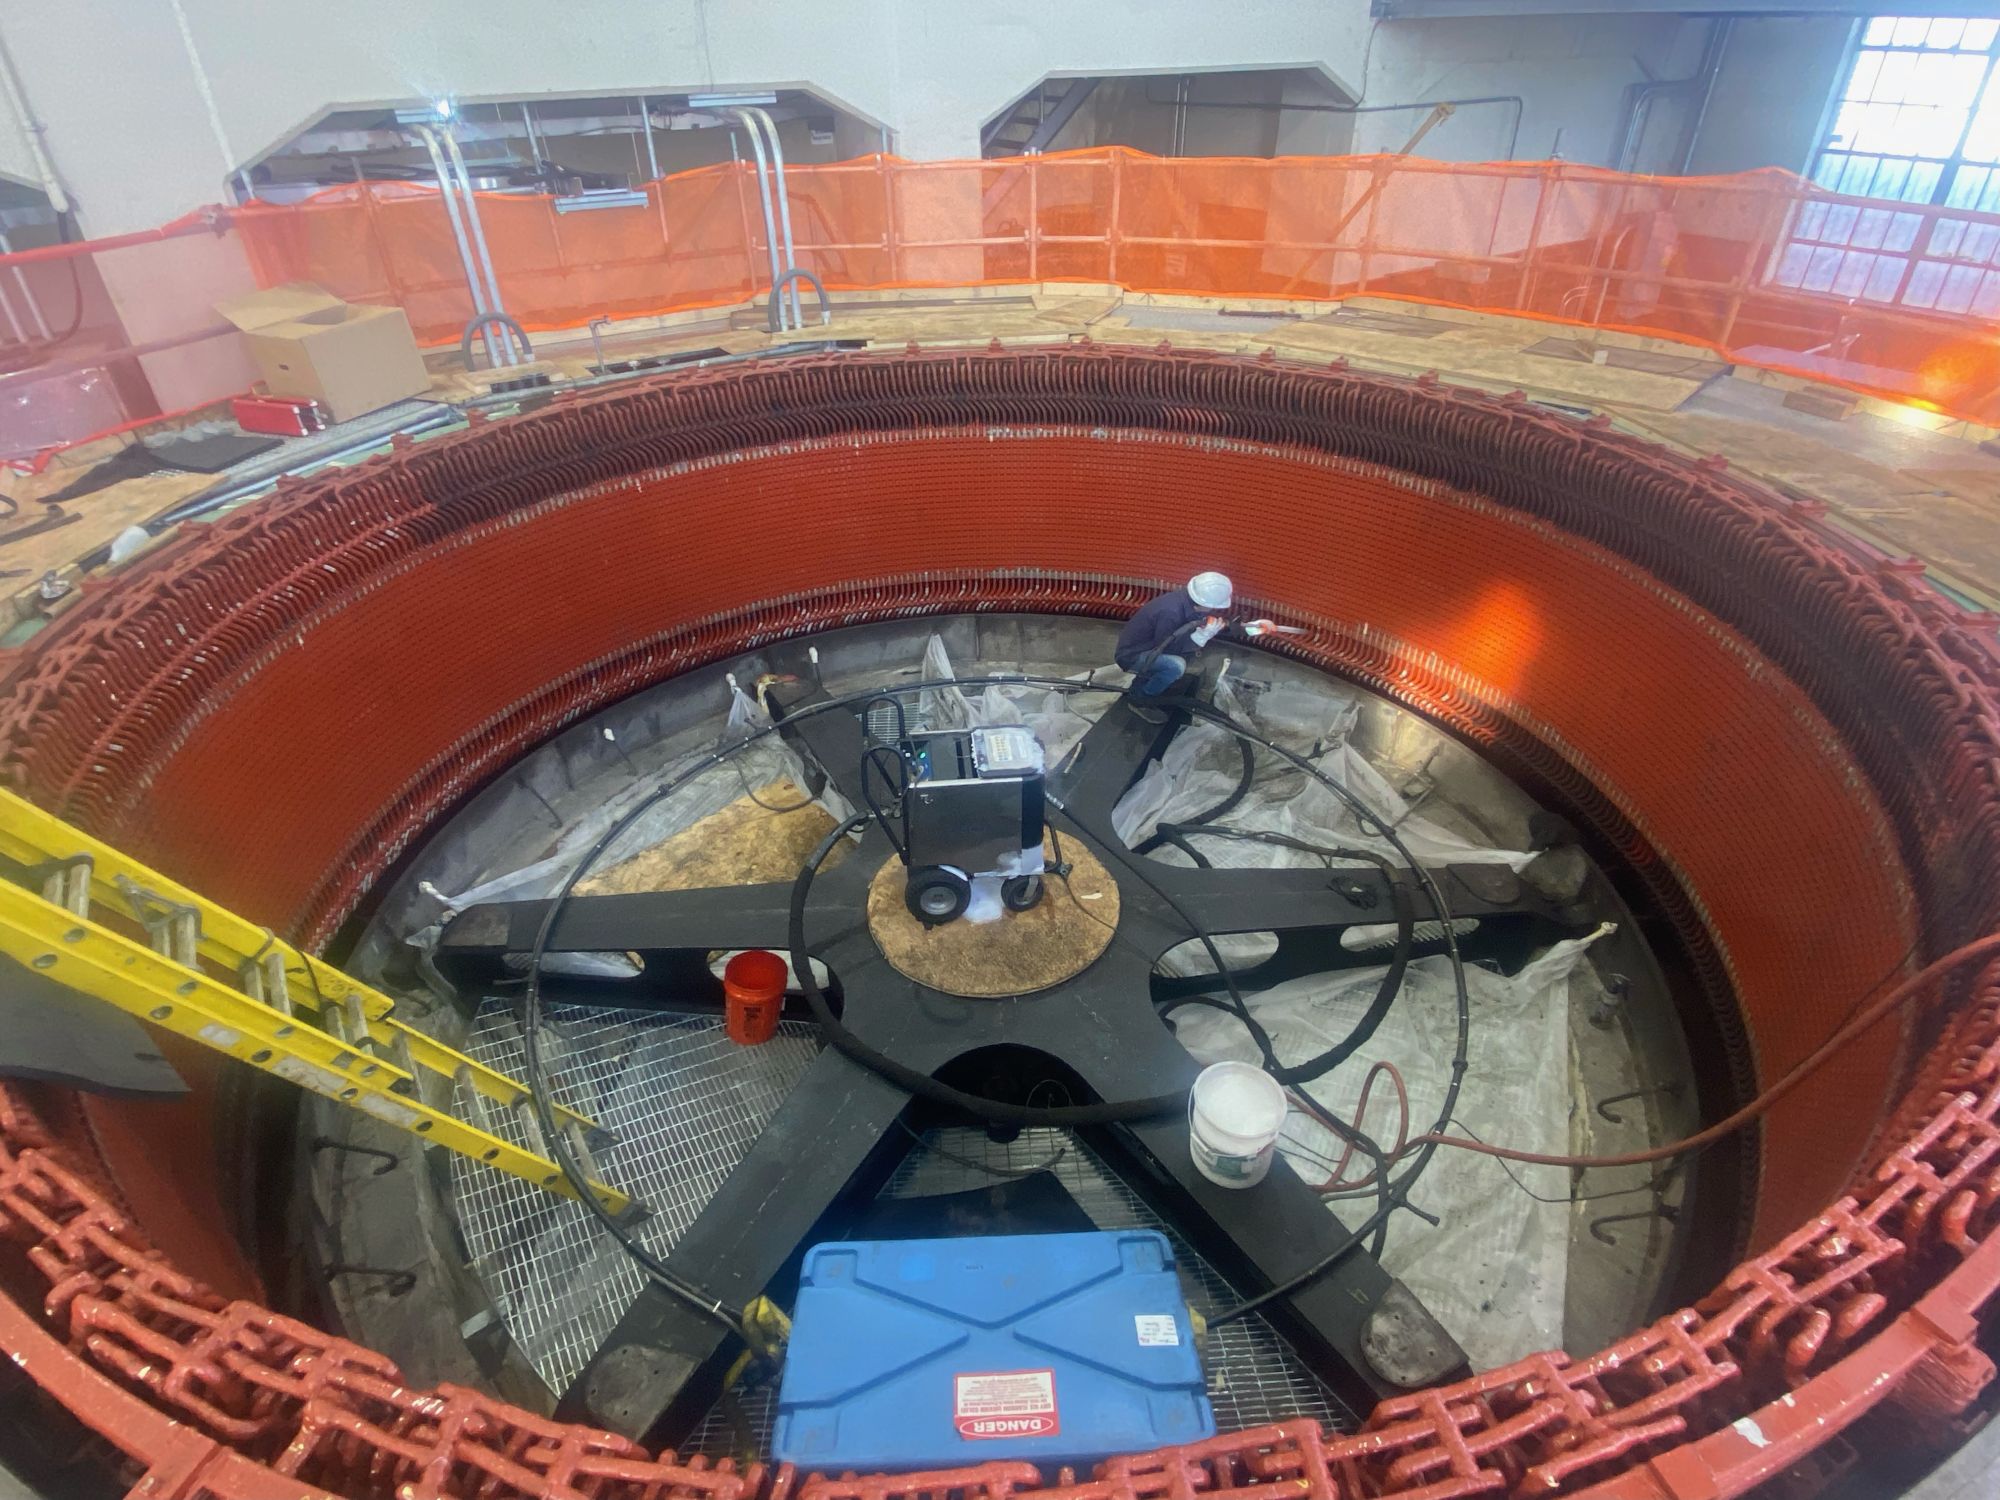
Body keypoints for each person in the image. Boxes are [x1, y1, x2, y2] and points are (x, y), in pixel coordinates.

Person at [1115, 571, 1237, 702]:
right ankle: (1141, 697)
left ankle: (1154, 680)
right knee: (1176, 666)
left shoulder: (1188, 600)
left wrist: (1248, 628)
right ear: (1206, 604)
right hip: (1132, 656)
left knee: (1184, 658)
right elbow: (1166, 648)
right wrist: (1199, 638)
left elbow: (1205, 622)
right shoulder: (1171, 613)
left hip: (1151, 646)